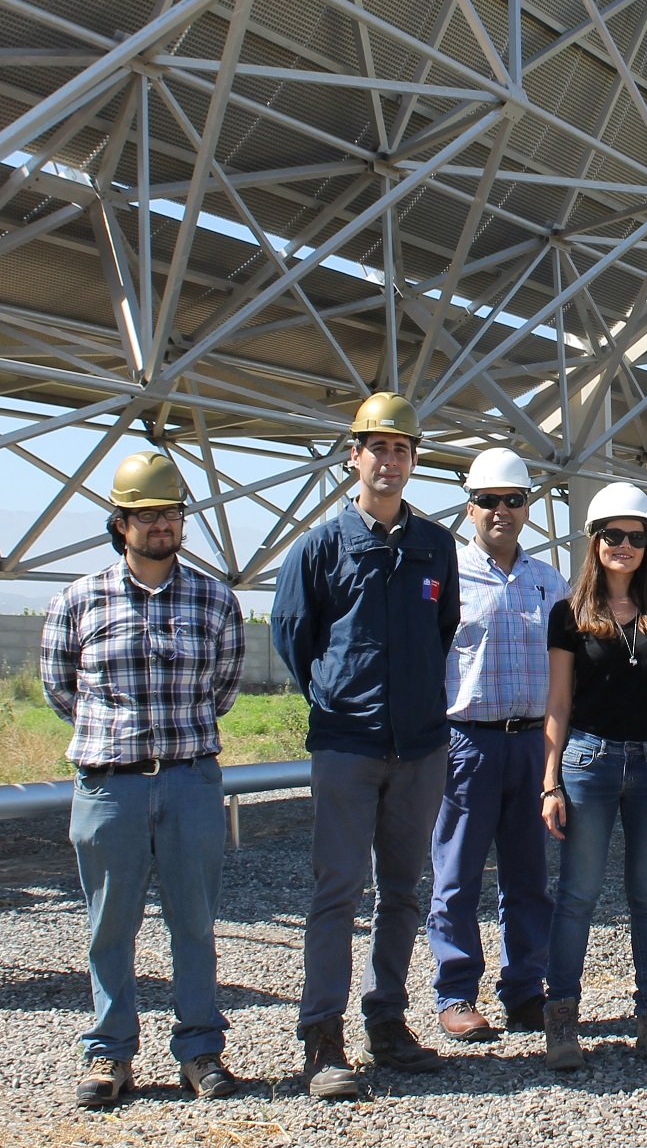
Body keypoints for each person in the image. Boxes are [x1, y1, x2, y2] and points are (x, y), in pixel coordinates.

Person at [40, 450, 245, 1108]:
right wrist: (118, 741)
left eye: (172, 513)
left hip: (189, 781)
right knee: (109, 925)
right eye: (148, 514)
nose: (162, 524)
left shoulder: (214, 600)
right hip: (109, 787)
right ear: (120, 523)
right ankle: (108, 1053)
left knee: (194, 922)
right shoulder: (78, 600)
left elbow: (224, 688)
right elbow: (60, 688)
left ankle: (200, 1051)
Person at [271, 392, 461, 1100]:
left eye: (402, 449)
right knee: (337, 890)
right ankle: (322, 1038)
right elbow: (293, 636)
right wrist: (338, 697)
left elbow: (441, 630)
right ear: (353, 456)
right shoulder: (320, 546)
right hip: (348, 744)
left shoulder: (434, 545)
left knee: (404, 892)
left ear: (413, 462)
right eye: (377, 447)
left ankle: (387, 1022)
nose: (389, 460)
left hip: (419, 747)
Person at [540, 481, 647, 1072]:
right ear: (594, 541)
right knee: (577, 895)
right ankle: (561, 1024)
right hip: (590, 761)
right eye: (613, 535)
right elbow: (558, 703)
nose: (624, 546)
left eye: (636, 537)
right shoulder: (569, 615)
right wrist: (550, 781)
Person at [427, 448, 571, 1042]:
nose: (501, 511)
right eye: (489, 501)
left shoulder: (549, 582)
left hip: (532, 743)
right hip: (468, 742)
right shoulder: (446, 578)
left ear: (528, 507)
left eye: (513, 501)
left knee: (528, 877)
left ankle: (525, 990)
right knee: (457, 873)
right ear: (470, 507)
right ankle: (456, 992)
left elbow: (568, 671)